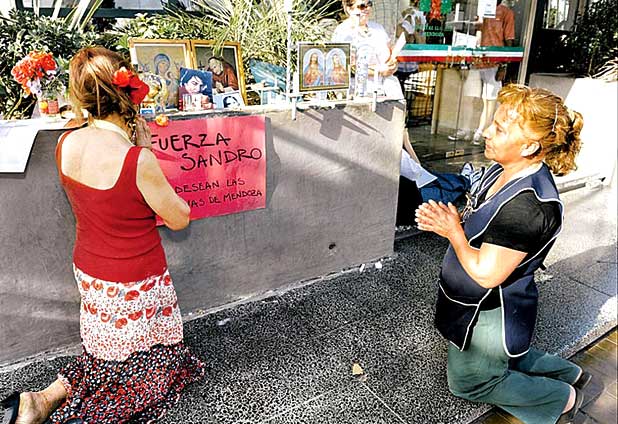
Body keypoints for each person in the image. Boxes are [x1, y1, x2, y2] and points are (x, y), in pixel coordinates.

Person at [0, 46, 204, 424]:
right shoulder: (136, 158)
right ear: (127, 92)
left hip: (90, 270)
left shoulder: (66, 143)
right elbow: (179, 219)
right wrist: (146, 151)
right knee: (152, 369)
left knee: (104, 354)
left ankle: (40, 400)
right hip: (135, 280)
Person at [415, 84, 591, 424]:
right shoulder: (502, 170)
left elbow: (487, 274)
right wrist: (451, 220)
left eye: (498, 128)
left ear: (529, 146)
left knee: (471, 381)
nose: (486, 132)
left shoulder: (528, 206)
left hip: (491, 308)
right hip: (473, 302)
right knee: (507, 355)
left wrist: (452, 231)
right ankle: (569, 372)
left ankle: (563, 398)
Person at [454, 0, 515, 144]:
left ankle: (481, 131)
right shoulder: (479, 10)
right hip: (476, 61)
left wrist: (504, 64)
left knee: (489, 100)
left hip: (494, 61)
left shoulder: (506, 13)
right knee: (469, 96)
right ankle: (465, 129)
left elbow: (509, 40)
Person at [331, 0, 401, 99]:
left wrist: (393, 65)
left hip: (386, 88)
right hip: (358, 91)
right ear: (349, 9)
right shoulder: (342, 32)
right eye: (362, 6)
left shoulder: (378, 28)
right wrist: (379, 71)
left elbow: (390, 54)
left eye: (369, 4)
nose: (367, 9)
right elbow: (346, 67)